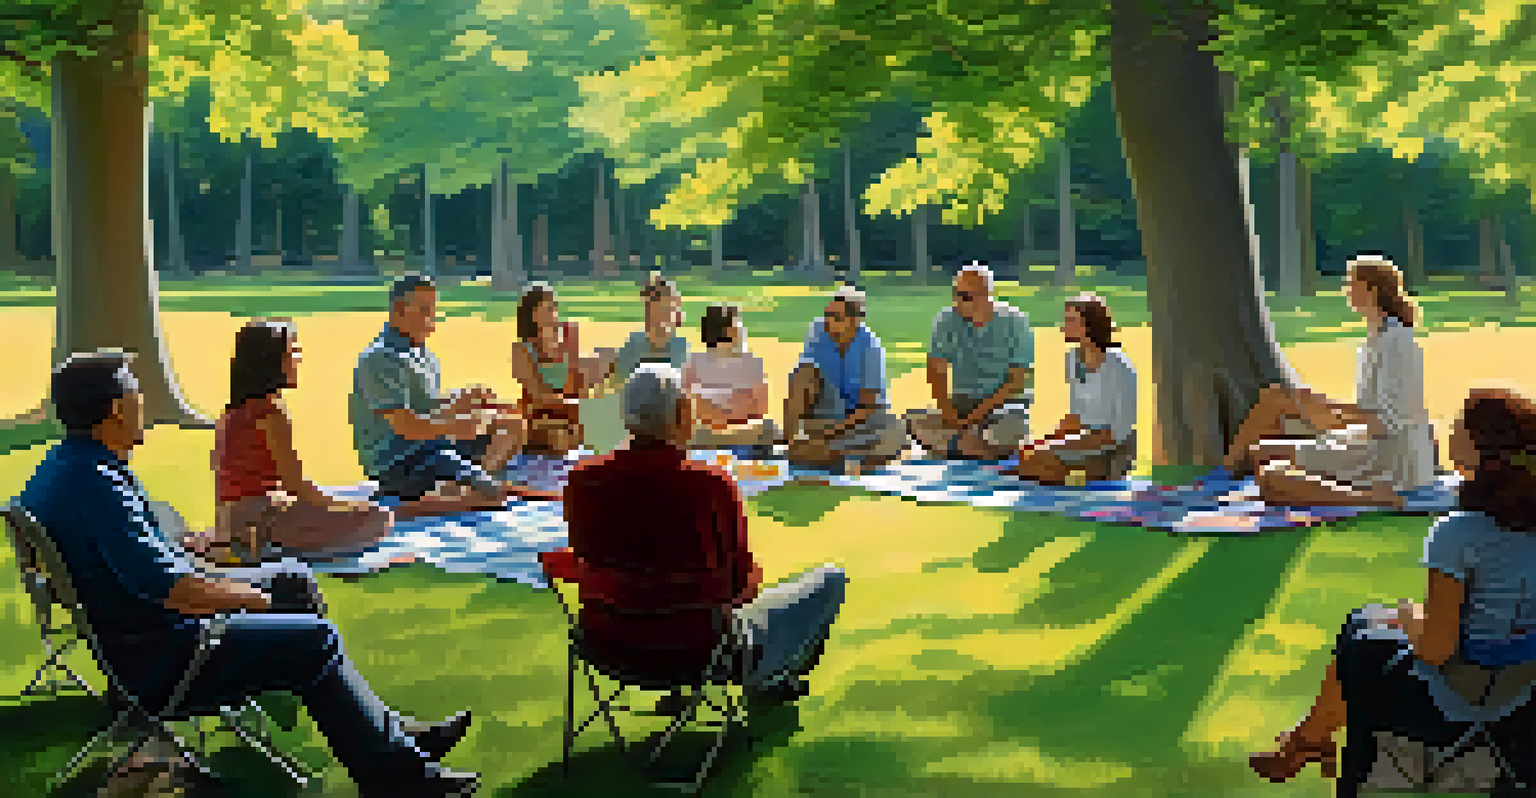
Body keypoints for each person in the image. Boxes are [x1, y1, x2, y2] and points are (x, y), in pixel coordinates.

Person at [16, 350, 478, 796]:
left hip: (139, 637)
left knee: (293, 579)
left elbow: (135, 566)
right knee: (313, 638)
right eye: (137, 393)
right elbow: (173, 590)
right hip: (168, 656)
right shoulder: (98, 487)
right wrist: (250, 598)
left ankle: (388, 734)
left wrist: (189, 550)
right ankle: (398, 779)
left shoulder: (67, 469)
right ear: (117, 409)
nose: (144, 402)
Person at [1249, 387, 1536, 786]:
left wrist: (1409, 616)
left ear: (1477, 450)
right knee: (1370, 625)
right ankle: (1307, 739)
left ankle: (1308, 741)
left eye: (1458, 428)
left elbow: (1437, 649)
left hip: (1472, 691)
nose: (1447, 433)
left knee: (1363, 636)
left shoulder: (1456, 532)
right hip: (1525, 682)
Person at [556, 364, 848, 712]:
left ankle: (745, 680)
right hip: (700, 651)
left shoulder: (582, 482)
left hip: (607, 644)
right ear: (682, 413)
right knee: (829, 580)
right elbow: (742, 587)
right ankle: (771, 681)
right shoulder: (709, 486)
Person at [1223, 255, 1436, 508]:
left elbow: (1386, 421)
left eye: (1352, 284)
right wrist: (1324, 408)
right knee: (1261, 453)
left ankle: (1371, 497)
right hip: (1370, 440)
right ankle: (1246, 480)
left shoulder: (1397, 342)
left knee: (1271, 473)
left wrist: (1328, 409)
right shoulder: (1374, 339)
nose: (1346, 291)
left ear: (1373, 290)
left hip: (1394, 455)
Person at [350, 274, 557, 517]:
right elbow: (406, 426)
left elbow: (425, 406)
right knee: (494, 496)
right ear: (399, 310)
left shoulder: (419, 352)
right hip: (400, 463)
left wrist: (461, 399)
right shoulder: (381, 358)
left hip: (429, 446)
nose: (432, 318)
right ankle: (403, 509)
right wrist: (456, 426)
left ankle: (460, 485)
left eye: (433, 310)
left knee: (511, 425)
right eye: (424, 310)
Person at [192, 319, 394, 566]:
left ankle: (244, 545)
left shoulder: (233, 413)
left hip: (235, 519)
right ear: (270, 362)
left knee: (355, 504)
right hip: (261, 521)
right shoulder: (270, 413)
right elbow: (295, 483)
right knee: (379, 517)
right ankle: (265, 553)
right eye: (292, 352)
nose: (298, 358)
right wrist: (344, 506)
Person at [904, 261, 1034, 459]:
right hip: (961, 404)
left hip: (1003, 405)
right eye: (956, 293)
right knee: (910, 420)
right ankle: (979, 448)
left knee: (1013, 424)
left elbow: (1016, 383)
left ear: (985, 296)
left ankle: (958, 447)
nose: (957, 300)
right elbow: (936, 371)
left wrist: (974, 418)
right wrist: (948, 412)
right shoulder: (946, 320)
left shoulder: (1016, 322)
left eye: (964, 296)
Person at [1010, 294, 1138, 484]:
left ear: (1090, 325)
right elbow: (1075, 417)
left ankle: (1079, 477)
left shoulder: (1117, 365)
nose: (1063, 327)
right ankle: (1071, 477)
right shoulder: (1073, 359)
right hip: (1085, 441)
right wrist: (1043, 441)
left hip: (1115, 448)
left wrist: (1056, 447)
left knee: (1040, 461)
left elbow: (1120, 431)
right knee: (1027, 456)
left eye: (1071, 320)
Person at [782, 286, 908, 471]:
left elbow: (868, 406)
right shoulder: (818, 332)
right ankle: (789, 444)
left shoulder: (870, 348)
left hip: (863, 419)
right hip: (828, 409)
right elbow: (801, 381)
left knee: (894, 430)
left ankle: (834, 455)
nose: (828, 320)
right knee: (803, 372)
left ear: (855, 321)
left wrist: (830, 432)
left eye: (835, 316)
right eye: (828, 313)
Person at [683, 303, 778, 454]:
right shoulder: (694, 362)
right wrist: (735, 405)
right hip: (710, 436)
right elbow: (686, 408)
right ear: (729, 331)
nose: (743, 331)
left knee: (767, 427)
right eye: (739, 325)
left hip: (738, 434)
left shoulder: (752, 362)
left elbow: (760, 410)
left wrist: (712, 408)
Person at [510, 283, 584, 455]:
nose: (555, 312)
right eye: (550, 307)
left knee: (604, 429)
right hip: (539, 419)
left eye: (555, 306)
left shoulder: (569, 337)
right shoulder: (521, 350)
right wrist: (575, 406)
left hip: (570, 415)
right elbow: (538, 398)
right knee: (561, 438)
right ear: (534, 314)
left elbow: (574, 385)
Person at [602, 273, 690, 387]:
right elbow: (619, 385)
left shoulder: (680, 345)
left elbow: (680, 389)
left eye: (670, 308)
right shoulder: (634, 343)